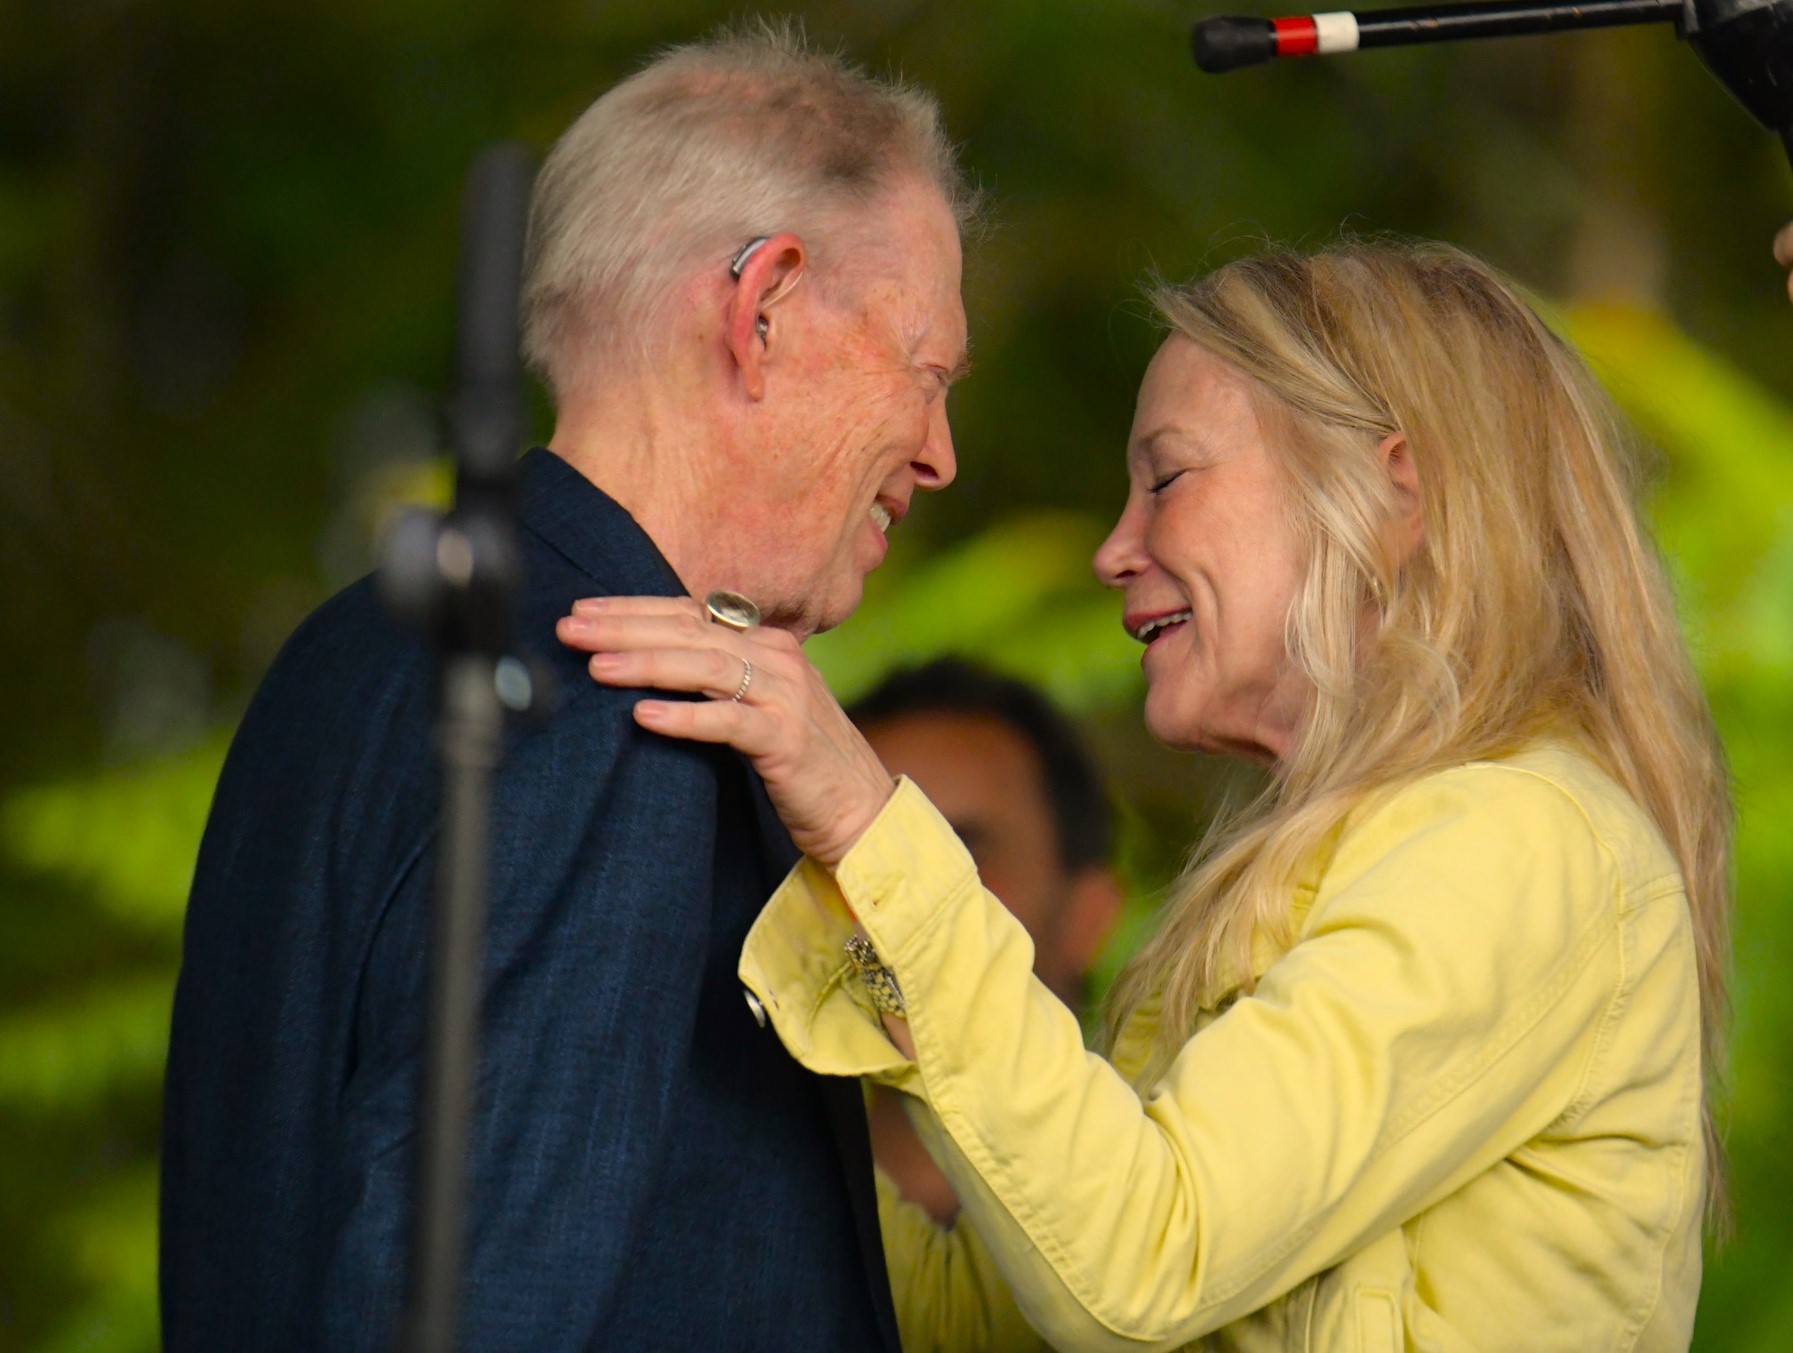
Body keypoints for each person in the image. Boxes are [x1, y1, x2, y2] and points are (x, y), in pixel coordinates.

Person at [558, 239, 1733, 1351]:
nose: (1112, 549)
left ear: (1392, 498)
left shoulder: (1521, 839)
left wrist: (869, 828)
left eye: (1165, 477)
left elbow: (1138, 1264)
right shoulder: (1365, 859)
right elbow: (987, 1318)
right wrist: (644, 1078)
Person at [160, 21, 971, 1352]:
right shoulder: (623, 717)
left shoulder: (338, 658)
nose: (938, 452)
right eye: (926, 370)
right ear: (761, 309)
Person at [847, 658, 1123, 1223]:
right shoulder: (725, 1220)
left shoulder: (1178, 1211)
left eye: (962, 854)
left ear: (1088, 916)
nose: (902, 893)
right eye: (856, 852)